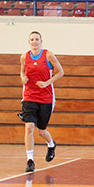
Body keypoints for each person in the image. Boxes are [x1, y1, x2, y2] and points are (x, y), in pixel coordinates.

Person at [21, 31, 64, 173]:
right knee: (29, 128)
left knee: (41, 130)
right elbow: (22, 71)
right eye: (32, 39)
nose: (34, 42)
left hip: (46, 97)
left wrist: (47, 83)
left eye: (37, 39)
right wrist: (23, 78)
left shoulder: (48, 55)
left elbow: (60, 72)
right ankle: (30, 160)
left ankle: (51, 144)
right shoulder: (24, 57)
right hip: (29, 96)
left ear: (41, 41)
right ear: (29, 42)